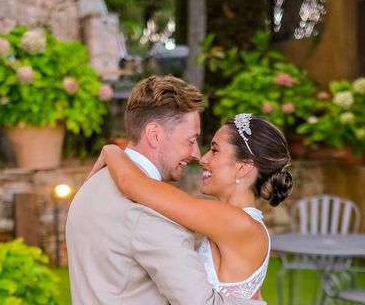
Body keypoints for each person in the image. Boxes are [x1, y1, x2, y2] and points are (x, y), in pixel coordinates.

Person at [65, 75, 272, 305]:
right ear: (154, 135)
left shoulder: (91, 186)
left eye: (212, 149)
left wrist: (113, 151)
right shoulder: (152, 214)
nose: (197, 155)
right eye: (191, 140)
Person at [87, 113, 294, 301]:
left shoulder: (235, 221)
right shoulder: (242, 224)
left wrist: (112, 151)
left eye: (214, 150)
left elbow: (131, 184)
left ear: (243, 166)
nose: (203, 158)